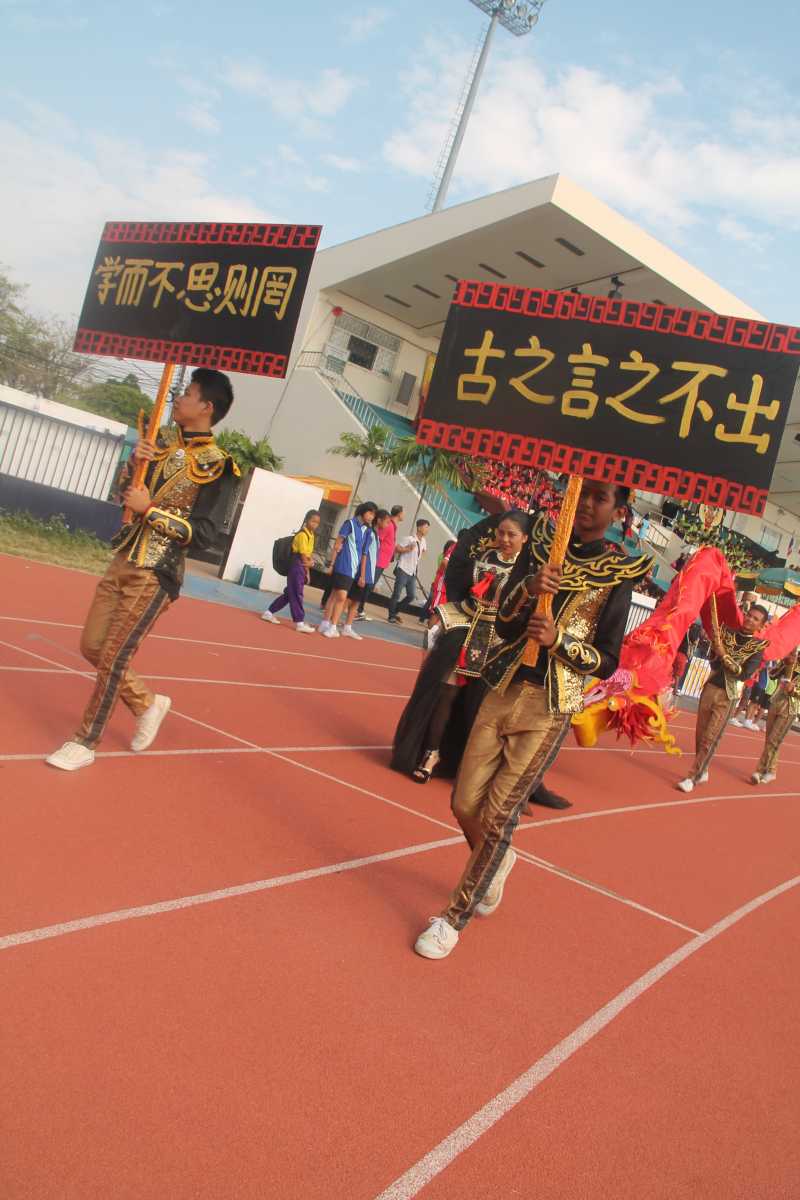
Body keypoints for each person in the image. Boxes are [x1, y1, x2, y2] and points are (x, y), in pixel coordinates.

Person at [413, 481, 652, 959]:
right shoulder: (543, 544)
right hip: (503, 686)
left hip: (550, 705)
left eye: (601, 498)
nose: (587, 504)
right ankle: (498, 860)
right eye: (584, 494)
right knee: (464, 803)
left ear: (618, 512)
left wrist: (558, 641)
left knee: (498, 816)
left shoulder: (617, 573)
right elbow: (503, 622)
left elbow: (607, 660)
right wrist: (528, 587)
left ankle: (454, 918)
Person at [45, 368, 238, 771]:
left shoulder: (218, 464)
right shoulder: (160, 441)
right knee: (93, 647)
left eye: (188, 393)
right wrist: (135, 465)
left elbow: (203, 536)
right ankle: (148, 704)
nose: (178, 397)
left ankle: (85, 742)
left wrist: (149, 510)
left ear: (206, 407)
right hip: (125, 556)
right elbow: (127, 495)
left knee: (114, 656)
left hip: (157, 572)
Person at [392, 513, 529, 783]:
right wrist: (444, 613)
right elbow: (462, 591)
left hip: (499, 642)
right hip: (464, 631)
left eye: (512, 535)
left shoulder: (527, 571)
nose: (504, 539)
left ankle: (473, 765)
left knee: (483, 707)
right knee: (445, 694)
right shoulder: (482, 556)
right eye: (501, 532)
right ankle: (432, 753)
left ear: (525, 538)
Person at [676, 604, 768, 793]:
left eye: (755, 619)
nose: (750, 619)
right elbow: (713, 663)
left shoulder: (757, 648)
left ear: (761, 625)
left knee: (709, 738)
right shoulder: (727, 633)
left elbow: (744, 674)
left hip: (728, 695)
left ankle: (693, 777)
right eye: (749, 615)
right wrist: (714, 648)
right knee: (700, 734)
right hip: (710, 687)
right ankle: (703, 769)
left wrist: (724, 655)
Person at [318, 502, 377, 641]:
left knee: (334, 595)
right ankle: (333, 627)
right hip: (342, 565)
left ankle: (324, 623)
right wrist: (332, 564)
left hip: (353, 569)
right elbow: (338, 544)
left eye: (374, 515)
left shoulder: (368, 531)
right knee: (341, 597)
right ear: (363, 511)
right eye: (370, 513)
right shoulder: (349, 524)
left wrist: (362, 575)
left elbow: (364, 554)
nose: (372, 517)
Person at [261, 510, 320, 633]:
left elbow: (308, 555)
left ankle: (268, 612)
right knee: (297, 593)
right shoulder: (302, 535)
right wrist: (308, 566)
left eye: (317, 523)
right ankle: (300, 622)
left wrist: (308, 572)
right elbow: (303, 556)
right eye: (313, 521)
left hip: (302, 566)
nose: (315, 524)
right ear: (307, 520)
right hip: (297, 565)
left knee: (289, 594)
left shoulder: (311, 535)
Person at [752, 651, 800, 784]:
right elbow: (772, 675)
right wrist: (784, 663)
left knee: (773, 741)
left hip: (790, 708)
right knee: (770, 740)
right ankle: (772, 771)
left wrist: (793, 690)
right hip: (776, 702)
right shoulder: (792, 660)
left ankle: (760, 771)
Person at [354, 508, 393, 621]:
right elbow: (365, 552)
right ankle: (355, 611)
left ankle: (356, 612)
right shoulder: (370, 533)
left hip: (370, 567)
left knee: (364, 590)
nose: (388, 525)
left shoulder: (375, 534)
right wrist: (363, 573)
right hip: (366, 567)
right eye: (386, 522)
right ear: (379, 520)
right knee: (358, 591)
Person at [388, 519, 429, 623]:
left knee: (411, 596)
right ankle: (391, 616)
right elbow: (397, 548)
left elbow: (423, 551)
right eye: (425, 527)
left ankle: (395, 610)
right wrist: (407, 549)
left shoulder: (424, 541)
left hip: (412, 572)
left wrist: (420, 553)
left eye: (428, 528)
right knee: (397, 594)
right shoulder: (409, 539)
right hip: (403, 569)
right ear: (419, 528)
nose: (427, 530)